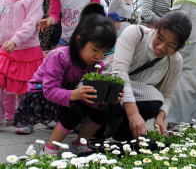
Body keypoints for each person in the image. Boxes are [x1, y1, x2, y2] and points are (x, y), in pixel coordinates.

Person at [14, 10, 118, 153]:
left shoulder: (96, 64)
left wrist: (105, 97)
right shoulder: (59, 56)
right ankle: (50, 148)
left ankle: (80, 143)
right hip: (40, 94)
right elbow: (49, 90)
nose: (98, 56)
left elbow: (90, 93)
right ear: (79, 40)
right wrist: (74, 95)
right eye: (95, 50)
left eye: (104, 52)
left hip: (67, 92)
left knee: (102, 110)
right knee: (74, 110)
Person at [110, 11, 192, 140]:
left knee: (155, 100)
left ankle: (123, 136)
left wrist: (160, 117)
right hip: (114, 83)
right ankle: (100, 130)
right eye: (160, 37)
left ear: (178, 48)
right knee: (114, 90)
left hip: (137, 91)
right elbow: (119, 71)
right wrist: (133, 115)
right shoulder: (135, 33)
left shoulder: (175, 61)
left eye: (171, 45)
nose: (161, 47)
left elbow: (167, 95)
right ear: (155, 28)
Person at [0, 0, 44, 127]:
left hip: (26, 51)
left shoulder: (35, 0)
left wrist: (15, 41)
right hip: (5, 50)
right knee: (4, 88)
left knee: (22, 89)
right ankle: (6, 117)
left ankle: (25, 119)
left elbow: (29, 25)